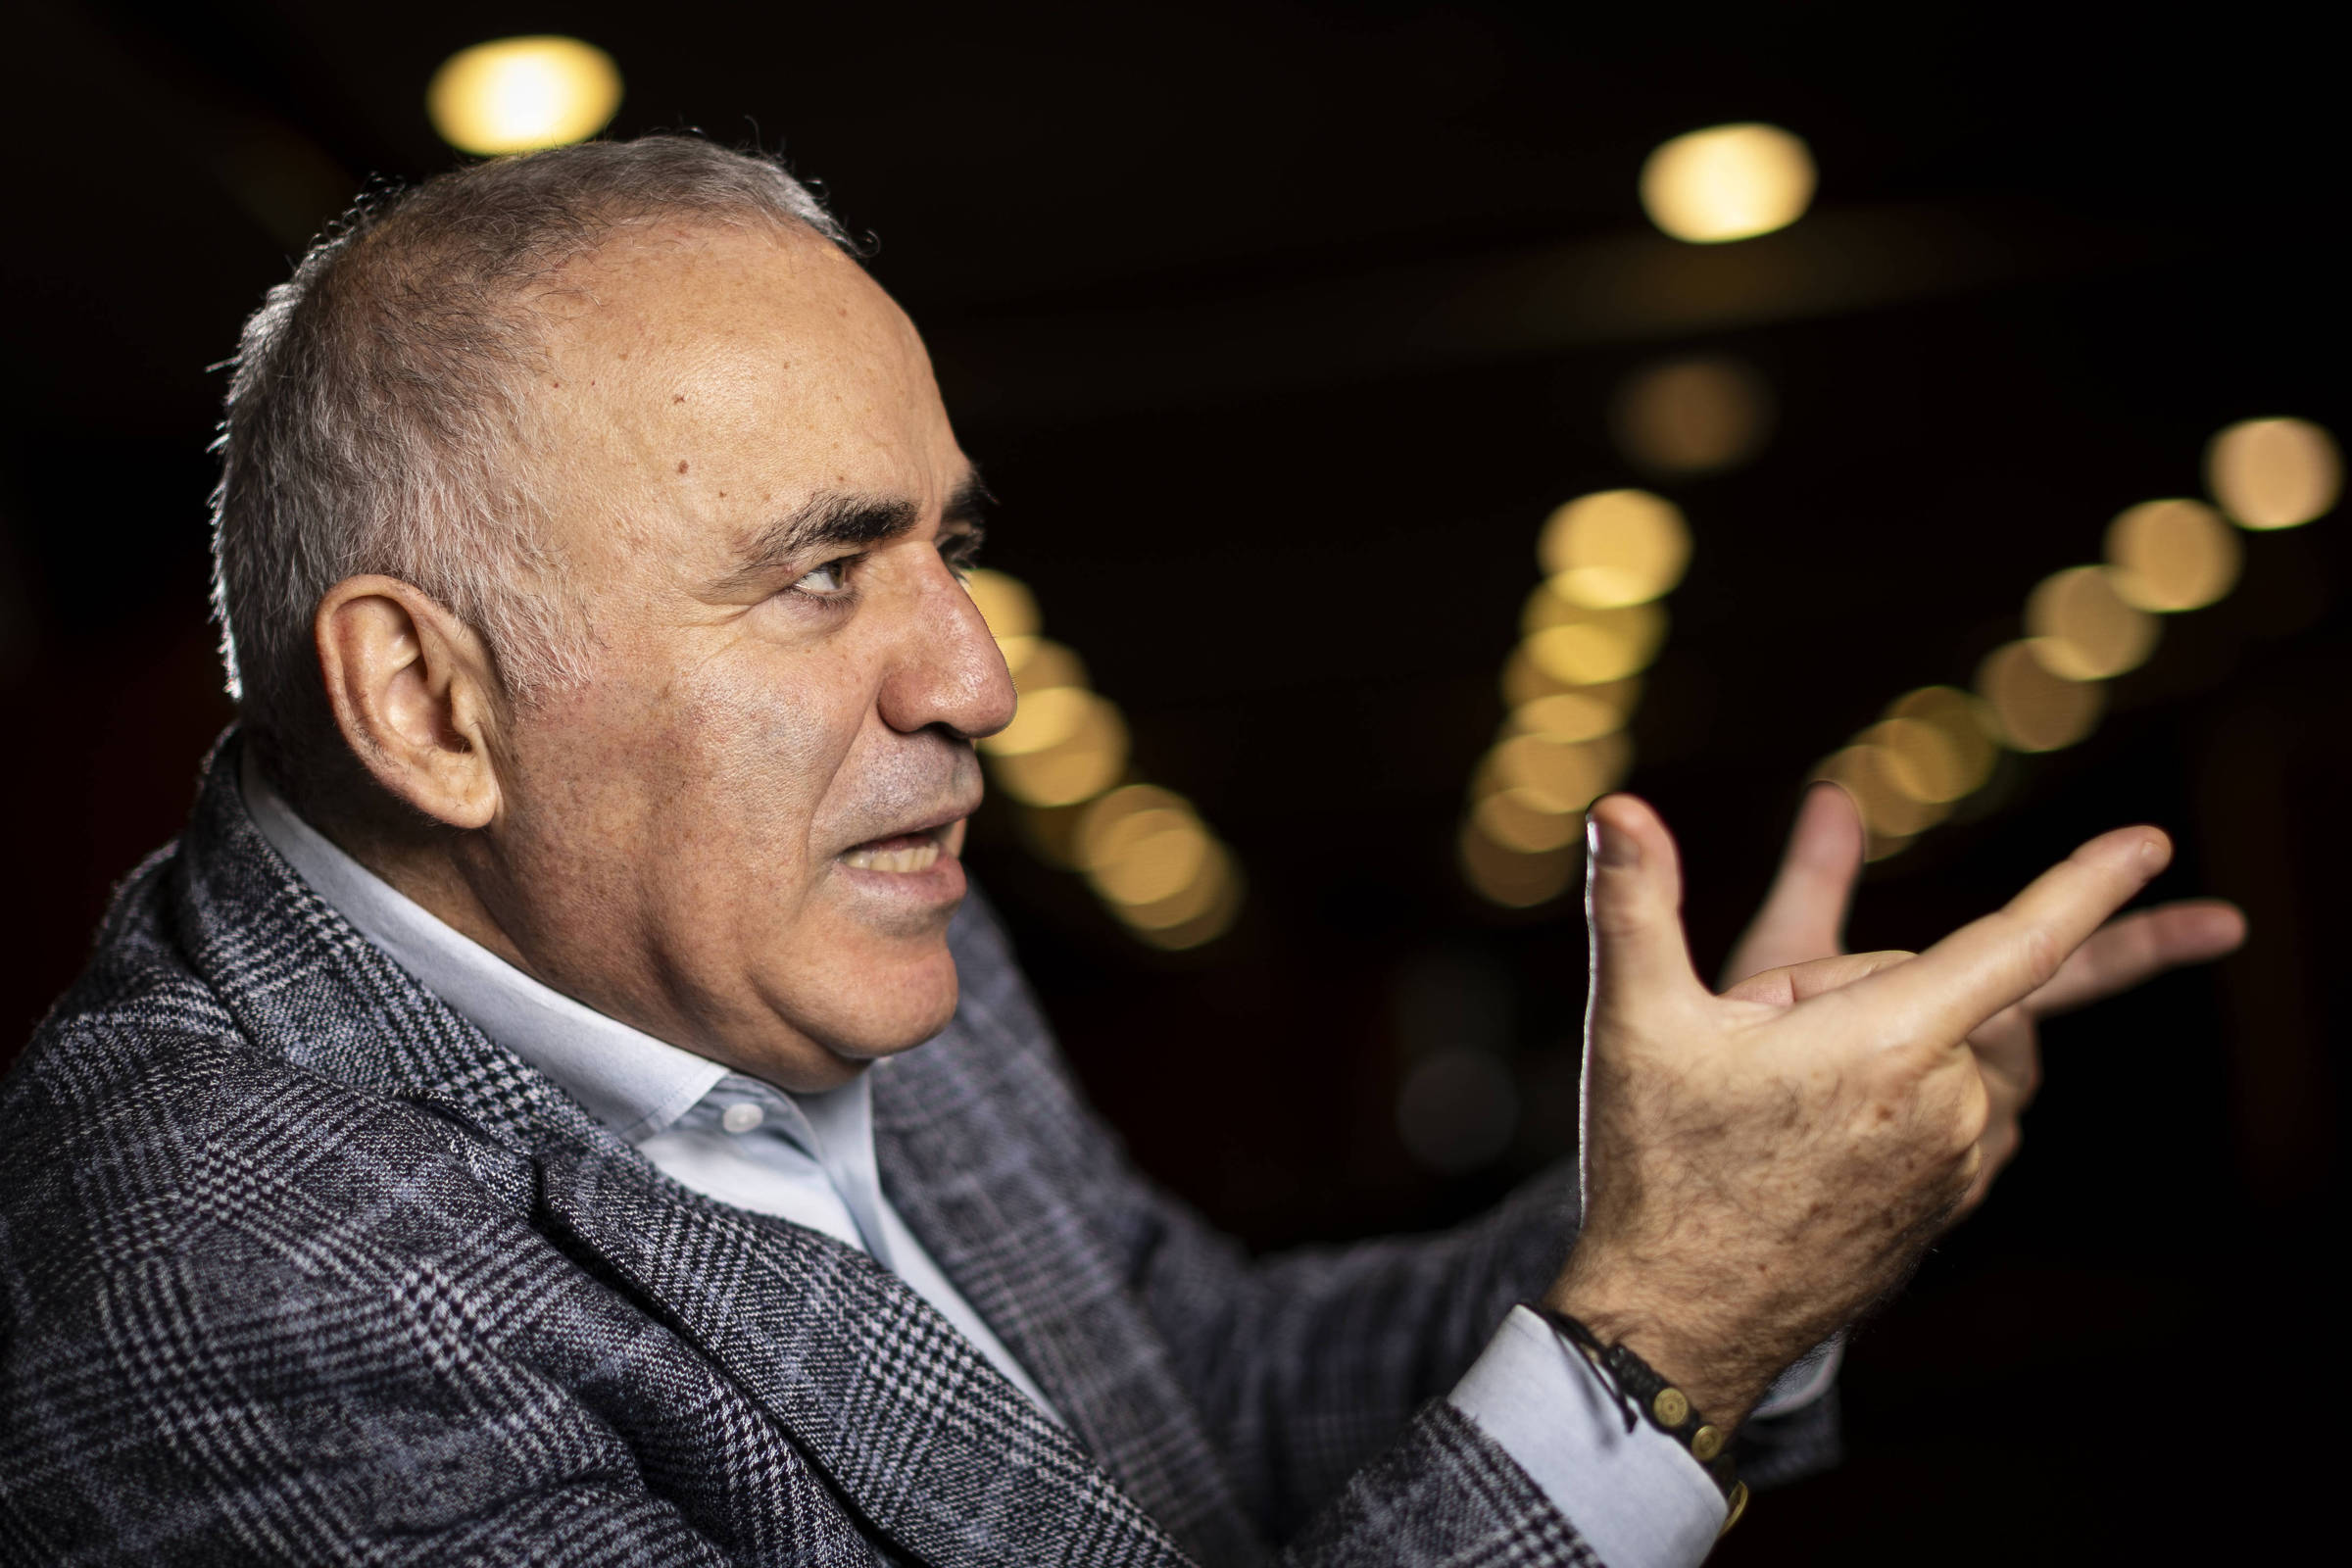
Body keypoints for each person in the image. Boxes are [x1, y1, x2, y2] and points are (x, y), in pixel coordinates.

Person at [0, 137, 2243, 1566]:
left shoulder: (819, 925)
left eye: (949, 550)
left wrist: (1742, 1180)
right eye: (823, 572)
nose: (976, 680)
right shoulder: (216, 1290)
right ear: (428, 701)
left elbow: (1203, 1402)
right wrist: (1668, 1327)